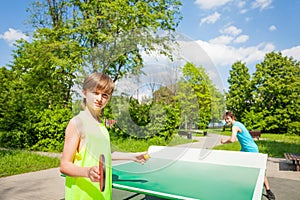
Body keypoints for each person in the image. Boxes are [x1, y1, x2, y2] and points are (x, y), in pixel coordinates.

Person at [60, 72, 148, 200]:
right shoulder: (77, 123)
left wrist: (133, 156)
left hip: (102, 195)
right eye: (95, 93)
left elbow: (106, 154)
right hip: (83, 196)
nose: (99, 98)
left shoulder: (102, 126)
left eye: (105, 95)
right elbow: (64, 166)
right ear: (84, 93)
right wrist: (88, 172)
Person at [220, 111, 276, 200]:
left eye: (228, 119)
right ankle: (239, 185)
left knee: (260, 170)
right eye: (225, 119)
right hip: (245, 149)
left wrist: (224, 142)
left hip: (251, 149)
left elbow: (232, 140)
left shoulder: (235, 126)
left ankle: (269, 191)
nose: (227, 121)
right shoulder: (238, 124)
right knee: (237, 164)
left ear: (232, 118)